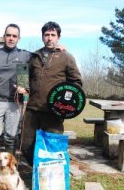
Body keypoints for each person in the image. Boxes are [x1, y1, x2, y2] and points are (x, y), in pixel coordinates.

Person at [20, 21, 83, 166]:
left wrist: (65, 100)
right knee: (26, 145)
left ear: (58, 37)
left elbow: (76, 82)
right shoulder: (34, 56)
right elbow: (24, 74)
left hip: (54, 111)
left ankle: (51, 178)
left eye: (53, 35)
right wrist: (22, 86)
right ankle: (38, 170)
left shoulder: (66, 57)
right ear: (42, 37)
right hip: (32, 109)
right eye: (46, 35)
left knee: (53, 146)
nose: (49, 38)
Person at [0, 23, 31, 190]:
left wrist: (59, 48)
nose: (11, 38)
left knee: (11, 138)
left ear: (19, 38)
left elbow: (40, 61)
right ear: (4, 36)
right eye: (8, 35)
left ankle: (9, 171)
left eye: (14, 36)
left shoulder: (24, 56)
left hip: (14, 103)